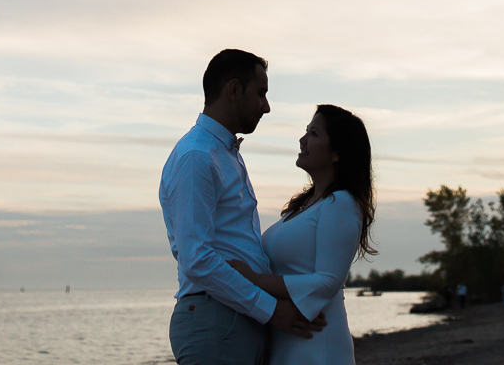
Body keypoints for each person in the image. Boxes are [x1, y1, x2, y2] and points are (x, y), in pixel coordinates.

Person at [160, 50, 325, 365]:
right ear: (234, 90)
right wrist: (272, 309)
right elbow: (197, 259)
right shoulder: (198, 156)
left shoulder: (223, 154)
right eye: (260, 93)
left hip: (232, 316)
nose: (266, 106)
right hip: (217, 319)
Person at [228, 104, 377, 365]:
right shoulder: (306, 206)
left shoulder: (341, 203)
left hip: (316, 344)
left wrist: (253, 279)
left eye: (314, 134)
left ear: (338, 153)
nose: (303, 139)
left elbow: (328, 281)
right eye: (306, 131)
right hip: (289, 341)